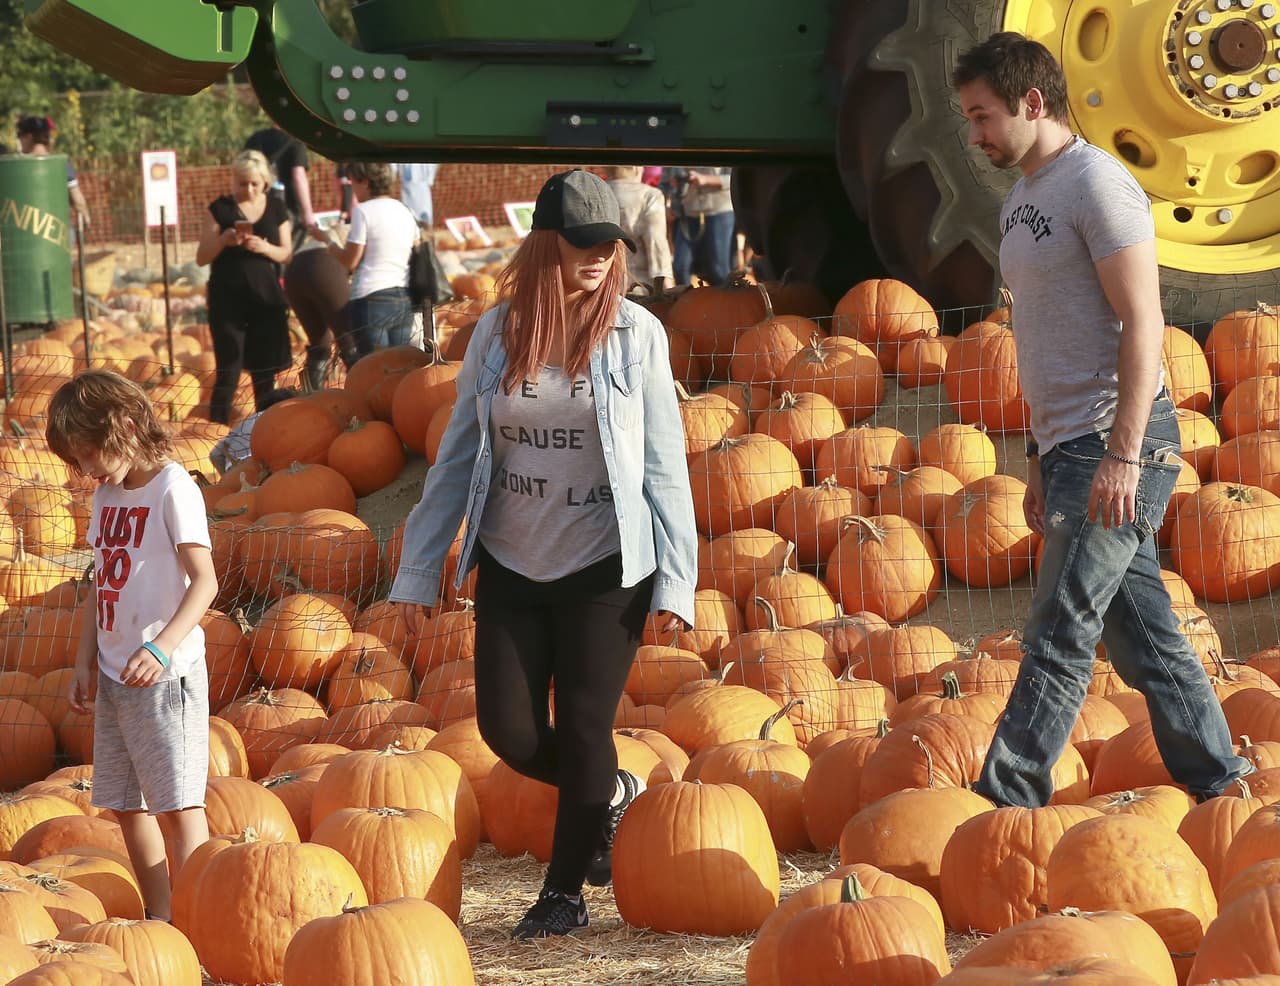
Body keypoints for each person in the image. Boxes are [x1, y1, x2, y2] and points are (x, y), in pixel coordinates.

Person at [389, 168, 698, 939]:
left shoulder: (636, 333)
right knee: (509, 732)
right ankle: (611, 791)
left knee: (587, 723)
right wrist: (419, 568)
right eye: (581, 242)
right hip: (513, 560)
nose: (597, 256)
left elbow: (664, 461)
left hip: (606, 563)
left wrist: (678, 583)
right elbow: (458, 457)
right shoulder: (498, 334)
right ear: (545, 243)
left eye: (609, 244)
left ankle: (563, 893)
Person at [952, 32, 1252, 808]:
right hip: (1068, 445)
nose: (975, 135)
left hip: (1119, 440)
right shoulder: (1021, 200)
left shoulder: (1097, 183)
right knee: (1142, 635)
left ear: (1032, 102)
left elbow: (1144, 318)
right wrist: (1036, 457)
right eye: (968, 120)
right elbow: (1040, 335)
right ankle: (1223, 785)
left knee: (1059, 629)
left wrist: (1122, 454)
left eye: (983, 117)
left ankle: (1002, 804)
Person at [45, 369, 218, 922]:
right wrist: (83, 661)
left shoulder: (174, 489)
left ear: (124, 424)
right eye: (78, 461)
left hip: (166, 677)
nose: (87, 469)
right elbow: (101, 583)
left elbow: (206, 582)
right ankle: (161, 916)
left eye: (89, 452)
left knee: (178, 806)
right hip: (118, 674)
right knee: (123, 803)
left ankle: (197, 919)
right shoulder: (105, 499)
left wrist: (164, 646)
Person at [195, 149, 294, 424]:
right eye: (242, 183)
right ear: (233, 181)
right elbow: (201, 257)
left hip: (265, 299)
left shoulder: (276, 207)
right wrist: (223, 241)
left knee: (265, 371)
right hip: (228, 299)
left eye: (254, 183)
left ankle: (267, 427)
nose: (248, 189)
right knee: (229, 367)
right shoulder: (220, 209)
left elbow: (286, 253)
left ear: (264, 181)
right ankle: (215, 430)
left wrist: (264, 247)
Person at [309, 161, 418, 357]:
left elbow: (350, 260)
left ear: (366, 183)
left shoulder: (363, 211)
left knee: (374, 369)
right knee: (401, 366)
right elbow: (417, 246)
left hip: (372, 297)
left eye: (353, 183)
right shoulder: (404, 210)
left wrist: (328, 240)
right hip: (403, 296)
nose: (353, 189)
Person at [604, 166, 674, 296]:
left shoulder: (598, 192)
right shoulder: (649, 196)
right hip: (639, 288)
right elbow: (656, 243)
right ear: (636, 168)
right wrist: (666, 285)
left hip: (603, 287)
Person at [244, 126, 315, 252]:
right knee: (284, 252)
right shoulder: (296, 141)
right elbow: (298, 176)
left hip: (256, 207)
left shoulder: (256, 138)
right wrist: (307, 212)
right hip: (287, 209)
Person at [16, 115, 91, 233]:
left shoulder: (14, 167)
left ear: (29, 137)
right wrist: (85, 216)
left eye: (19, 136)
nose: (19, 140)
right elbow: (77, 198)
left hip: (23, 234)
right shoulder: (61, 164)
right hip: (58, 233)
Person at [665, 166, 735, 286]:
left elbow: (735, 179)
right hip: (687, 213)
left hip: (719, 211)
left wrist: (705, 179)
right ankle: (689, 302)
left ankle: (726, 303)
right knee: (680, 267)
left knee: (718, 270)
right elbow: (665, 182)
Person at [208, 387, 298, 473]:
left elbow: (215, 454)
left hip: (234, 469)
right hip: (259, 467)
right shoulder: (280, 418)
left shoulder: (246, 423)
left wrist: (228, 479)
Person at [397, 162, 439, 230]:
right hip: (408, 190)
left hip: (423, 188)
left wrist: (430, 178)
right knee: (409, 223)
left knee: (426, 223)